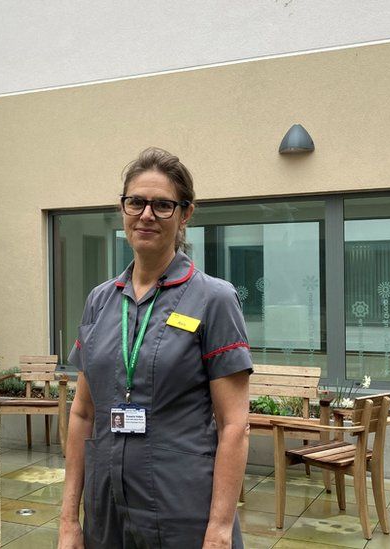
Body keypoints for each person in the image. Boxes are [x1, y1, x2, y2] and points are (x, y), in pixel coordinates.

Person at [59, 147, 252, 549]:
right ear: (123, 209)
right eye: (137, 203)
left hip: (183, 509)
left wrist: (219, 529)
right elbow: (82, 412)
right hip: (107, 511)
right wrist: (68, 521)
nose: (147, 215)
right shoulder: (100, 300)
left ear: (185, 214)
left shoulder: (214, 299)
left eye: (163, 205)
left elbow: (234, 425)